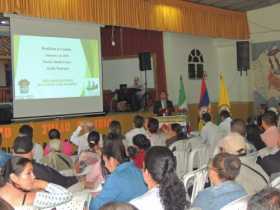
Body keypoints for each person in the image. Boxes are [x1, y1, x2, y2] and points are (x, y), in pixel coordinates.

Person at [89, 139, 147, 210]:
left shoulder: (115, 178)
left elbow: (94, 207)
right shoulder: (136, 168)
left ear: (112, 160)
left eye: (105, 161)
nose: (106, 166)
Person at [0, 156, 72, 209]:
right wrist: (41, 183)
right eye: (28, 173)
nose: (34, 176)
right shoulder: (30, 198)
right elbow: (67, 195)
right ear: (14, 177)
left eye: (32, 172)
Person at [12, 136, 78, 188]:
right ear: (32, 151)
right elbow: (64, 181)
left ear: (13, 151)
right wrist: (78, 178)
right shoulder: (37, 169)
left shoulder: (5, 169)